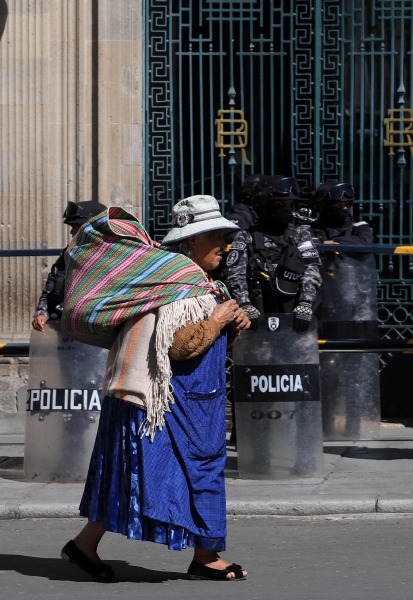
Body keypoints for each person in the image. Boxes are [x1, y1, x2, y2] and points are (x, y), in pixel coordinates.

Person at [61, 196, 250, 582]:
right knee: (174, 472)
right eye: (214, 235)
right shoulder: (180, 280)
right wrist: (218, 318)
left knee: (132, 471)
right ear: (190, 241)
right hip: (168, 404)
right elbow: (180, 346)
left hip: (189, 399)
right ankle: (205, 555)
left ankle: (88, 546)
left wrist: (230, 321)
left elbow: (200, 342)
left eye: (224, 235)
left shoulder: (187, 282)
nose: (222, 244)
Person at [223, 174, 322, 331]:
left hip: (295, 318)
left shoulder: (299, 234)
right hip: (258, 318)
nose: (287, 208)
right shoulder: (246, 236)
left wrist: (305, 304)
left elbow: (312, 271)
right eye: (281, 204)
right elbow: (235, 275)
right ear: (265, 205)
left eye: (290, 204)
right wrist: (245, 305)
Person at [32, 200, 107, 332]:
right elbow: (52, 285)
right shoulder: (68, 254)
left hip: (93, 334)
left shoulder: (108, 256)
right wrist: (42, 312)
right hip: (62, 327)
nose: (72, 232)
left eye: (76, 227)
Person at [310, 181, 373, 247]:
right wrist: (323, 243)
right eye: (339, 206)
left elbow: (365, 240)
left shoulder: (358, 227)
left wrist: (335, 242)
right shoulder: (313, 229)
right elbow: (304, 243)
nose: (344, 208)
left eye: (346, 205)